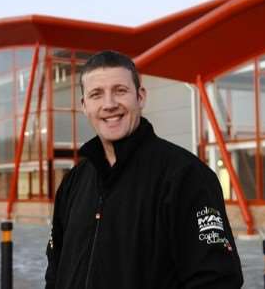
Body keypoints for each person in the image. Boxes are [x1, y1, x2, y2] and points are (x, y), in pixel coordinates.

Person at [45, 50, 243, 289]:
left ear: (140, 97)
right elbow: (55, 270)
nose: (109, 104)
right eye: (96, 94)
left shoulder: (186, 176)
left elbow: (217, 280)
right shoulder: (74, 182)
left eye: (120, 90)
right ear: (85, 106)